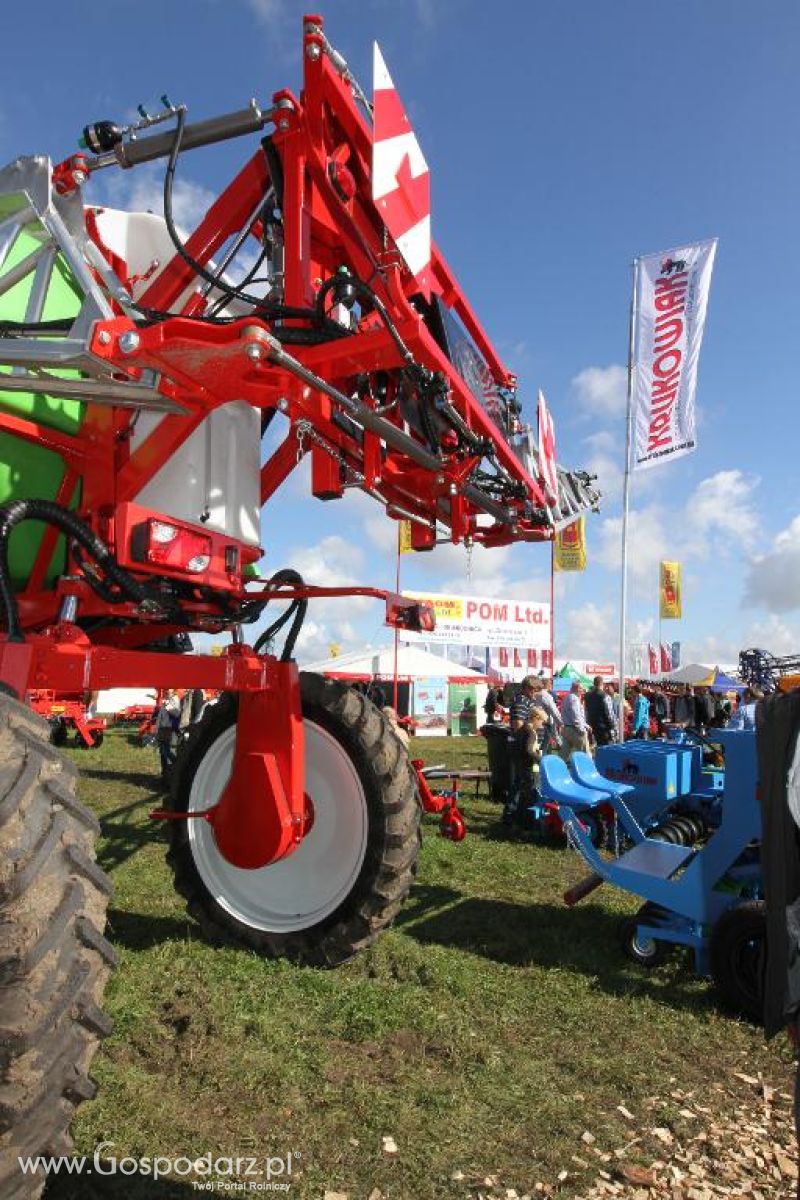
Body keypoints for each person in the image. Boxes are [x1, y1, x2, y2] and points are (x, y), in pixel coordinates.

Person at [504, 707, 548, 826]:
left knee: (521, 791)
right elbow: (529, 750)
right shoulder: (531, 732)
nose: (542, 725)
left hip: (520, 764)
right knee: (531, 794)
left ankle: (514, 818)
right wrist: (540, 758)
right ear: (536, 718)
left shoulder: (521, 729)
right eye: (542, 721)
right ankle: (527, 822)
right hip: (529, 766)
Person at [155, 688, 181, 782]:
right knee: (162, 753)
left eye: (169, 690)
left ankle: (174, 769)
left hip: (169, 730)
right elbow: (160, 717)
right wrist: (157, 730)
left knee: (167, 752)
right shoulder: (166, 700)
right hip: (162, 730)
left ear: (173, 691)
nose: (167, 692)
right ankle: (164, 775)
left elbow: (177, 714)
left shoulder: (175, 699)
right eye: (166, 691)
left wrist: (167, 706)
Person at [560, 681, 591, 761]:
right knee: (585, 754)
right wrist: (582, 730)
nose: (583, 691)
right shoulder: (574, 699)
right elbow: (576, 716)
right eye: (581, 688)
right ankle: (587, 770)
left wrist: (586, 725)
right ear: (577, 688)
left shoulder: (567, 697)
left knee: (564, 754)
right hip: (575, 730)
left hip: (567, 728)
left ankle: (558, 768)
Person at [585, 675, 617, 746]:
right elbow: (610, 713)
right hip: (604, 727)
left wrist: (588, 723)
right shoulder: (605, 696)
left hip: (593, 725)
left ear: (594, 683)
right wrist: (614, 726)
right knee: (607, 748)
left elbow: (586, 711)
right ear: (602, 684)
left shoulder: (587, 696)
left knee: (598, 747)